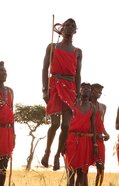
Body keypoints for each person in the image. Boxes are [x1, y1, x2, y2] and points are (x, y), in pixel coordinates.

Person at [41, 18, 82, 171]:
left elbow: (78, 74)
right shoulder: (52, 47)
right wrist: (45, 89)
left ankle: (58, 154)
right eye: (67, 25)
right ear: (62, 29)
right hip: (55, 85)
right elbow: (45, 68)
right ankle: (47, 152)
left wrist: (77, 94)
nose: (70, 27)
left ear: (75, 30)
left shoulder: (78, 52)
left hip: (70, 88)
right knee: (55, 124)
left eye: (73, 25)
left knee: (66, 126)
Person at [64, 82, 97, 186]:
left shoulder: (93, 108)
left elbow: (93, 127)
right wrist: (63, 143)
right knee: (71, 171)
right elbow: (65, 123)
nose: (86, 90)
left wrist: (94, 145)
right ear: (80, 90)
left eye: (89, 89)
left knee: (82, 171)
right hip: (71, 139)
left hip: (85, 141)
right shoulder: (72, 104)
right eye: (84, 88)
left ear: (90, 92)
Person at [90, 83, 110, 186]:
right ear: (91, 91)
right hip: (88, 138)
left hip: (100, 139)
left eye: (101, 91)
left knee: (101, 167)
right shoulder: (85, 104)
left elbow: (101, 123)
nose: (99, 93)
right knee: (84, 168)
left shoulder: (103, 107)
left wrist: (106, 133)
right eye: (97, 90)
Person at [0, 61, 15, 186]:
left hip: (8, 132)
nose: (5, 74)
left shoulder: (10, 91)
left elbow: (12, 111)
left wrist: (14, 134)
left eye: (5, 71)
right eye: (2, 71)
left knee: (3, 167)